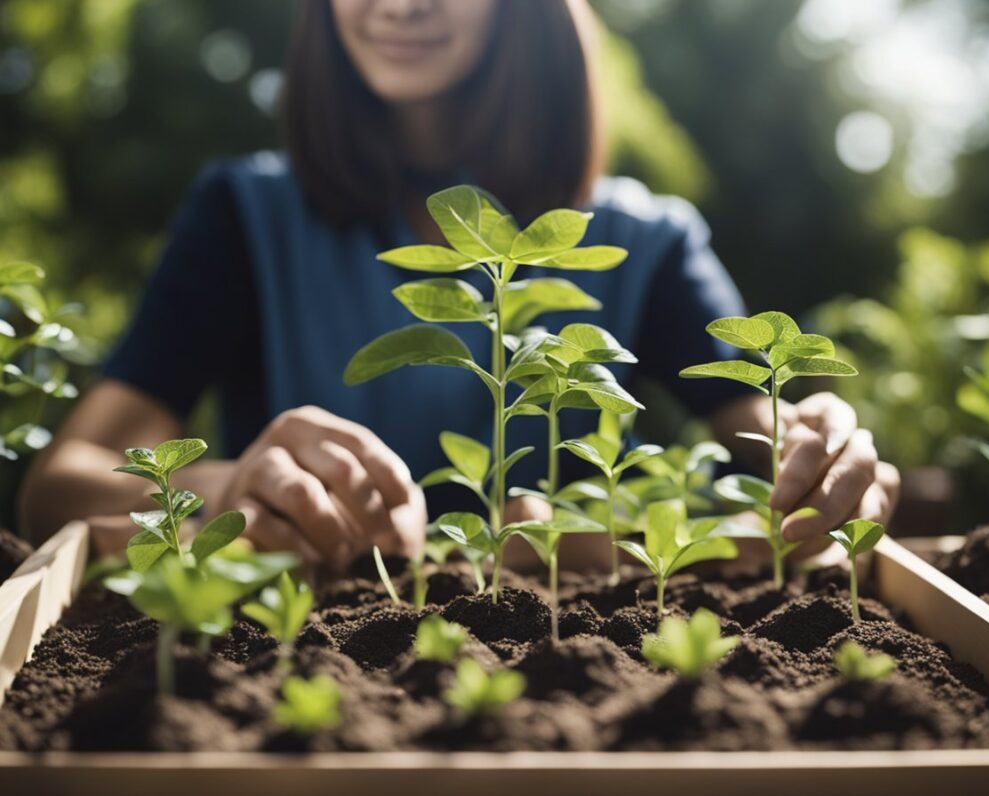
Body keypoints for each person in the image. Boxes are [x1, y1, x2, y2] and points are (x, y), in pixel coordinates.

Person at [19, 0, 899, 574]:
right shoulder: (244, 215)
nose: (399, 4)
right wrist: (223, 491)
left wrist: (827, 465)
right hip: (299, 666)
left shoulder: (647, 241)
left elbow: (776, 448)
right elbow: (62, 483)